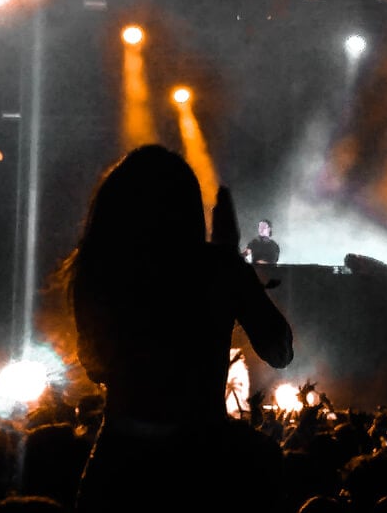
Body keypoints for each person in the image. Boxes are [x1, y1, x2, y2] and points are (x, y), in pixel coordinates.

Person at [57, 144, 294, 513]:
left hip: (119, 463)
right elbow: (280, 351)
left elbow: (95, 367)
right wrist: (231, 264)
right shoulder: (217, 268)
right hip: (203, 467)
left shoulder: (96, 269)